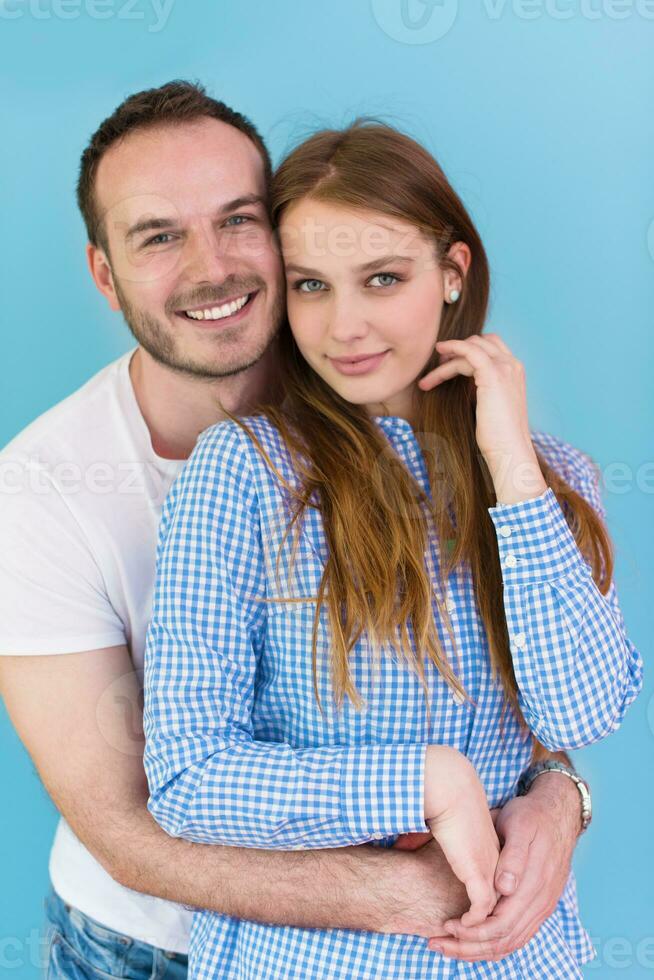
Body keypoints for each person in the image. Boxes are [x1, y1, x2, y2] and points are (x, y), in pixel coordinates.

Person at [0, 81, 607, 979]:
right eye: (159, 235)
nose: (212, 268)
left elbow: (550, 708)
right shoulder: (43, 493)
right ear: (105, 272)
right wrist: (429, 852)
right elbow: (145, 820)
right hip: (143, 936)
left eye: (238, 220)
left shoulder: (378, 386)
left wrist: (560, 799)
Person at [142, 119, 643, 979]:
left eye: (383, 278)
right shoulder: (245, 474)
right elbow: (189, 777)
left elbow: (580, 715)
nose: (345, 326)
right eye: (310, 285)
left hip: (515, 959)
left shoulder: (554, 475)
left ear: (453, 274)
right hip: (310, 961)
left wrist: (514, 470)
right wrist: (426, 779)